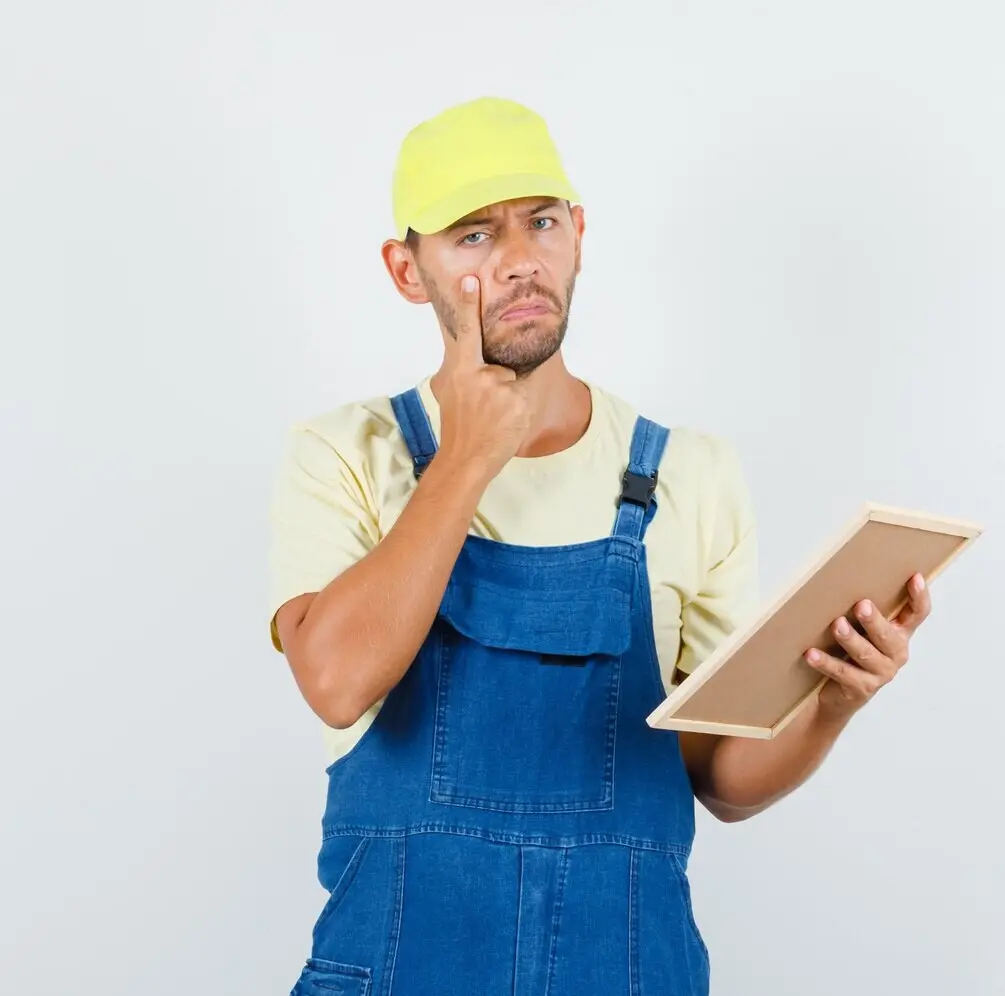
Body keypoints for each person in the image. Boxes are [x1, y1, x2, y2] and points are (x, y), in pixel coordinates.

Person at [268, 96, 932, 996]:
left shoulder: (690, 473)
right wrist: (463, 459)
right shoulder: (344, 453)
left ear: (577, 234)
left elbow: (724, 779)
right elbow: (336, 682)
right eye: (472, 236)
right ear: (406, 270)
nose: (517, 261)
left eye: (540, 222)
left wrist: (832, 705)